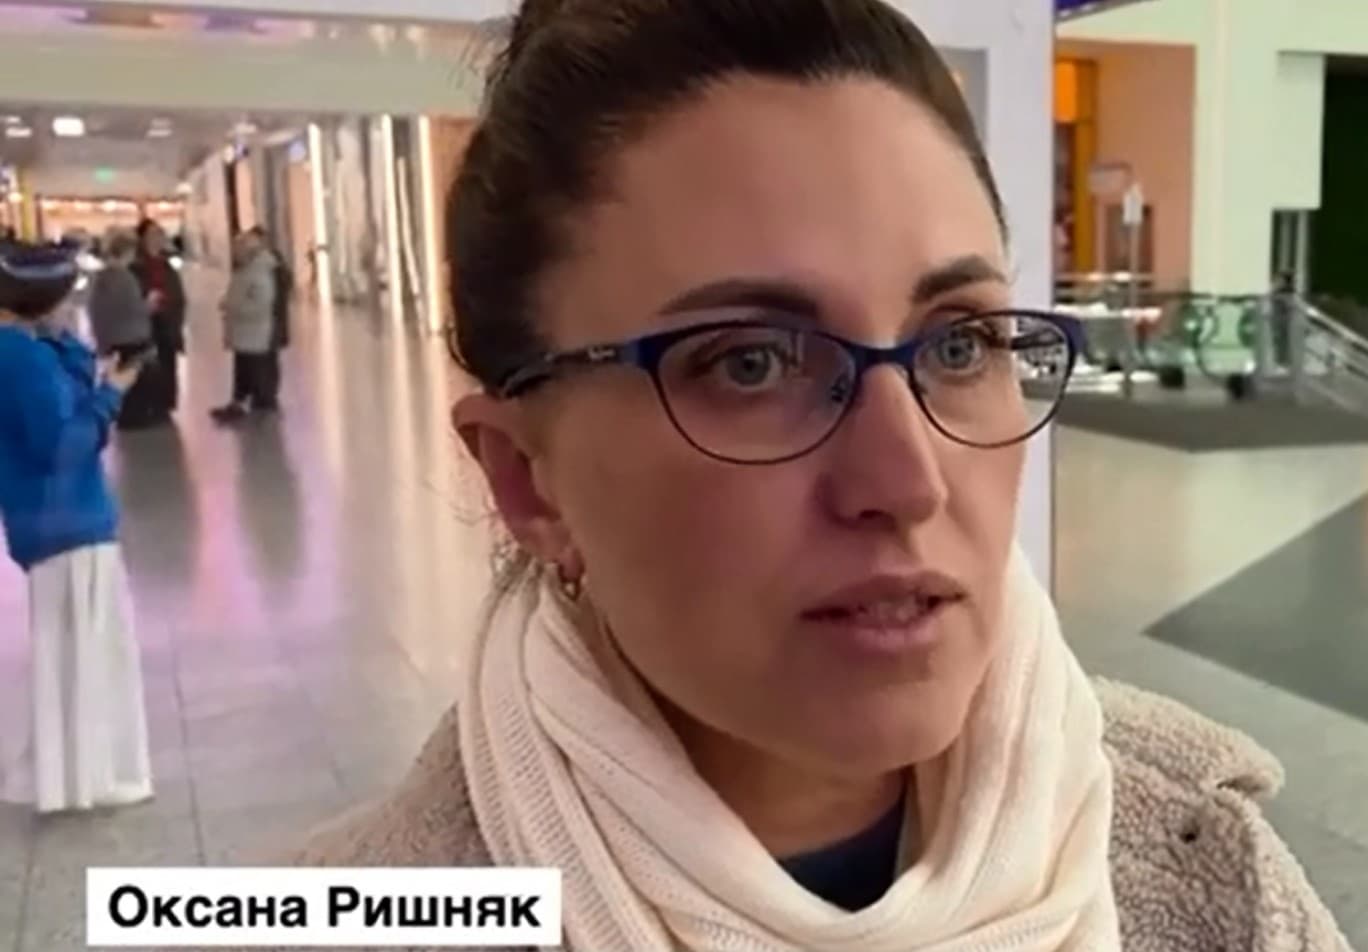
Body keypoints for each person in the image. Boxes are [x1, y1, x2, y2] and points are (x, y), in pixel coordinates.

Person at [268, 2, 1349, 949]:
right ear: (527, 480)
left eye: (959, 344)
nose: (907, 480)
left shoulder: (1213, 873)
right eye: (750, 362)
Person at [0, 240, 154, 814]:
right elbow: (62, 445)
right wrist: (111, 395)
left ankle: (68, 771)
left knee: (70, 654)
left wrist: (67, 343)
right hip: (67, 520)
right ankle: (88, 776)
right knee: (88, 656)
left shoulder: (28, 350)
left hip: (54, 520)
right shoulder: (20, 359)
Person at [88, 228, 166, 430]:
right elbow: (134, 308)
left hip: (111, 337)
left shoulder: (99, 278)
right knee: (137, 379)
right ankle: (136, 418)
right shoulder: (124, 278)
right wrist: (151, 302)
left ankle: (124, 415)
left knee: (121, 377)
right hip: (132, 335)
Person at [212, 228, 277, 423]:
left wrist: (232, 307)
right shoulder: (245, 270)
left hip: (253, 332)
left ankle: (256, 405)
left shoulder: (259, 273)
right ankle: (238, 402)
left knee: (253, 370)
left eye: (238, 250)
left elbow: (261, 304)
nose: (235, 254)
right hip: (243, 332)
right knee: (242, 369)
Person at [130, 218, 188, 417]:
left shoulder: (167, 264)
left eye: (160, 234)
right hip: (147, 322)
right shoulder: (135, 266)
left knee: (168, 363)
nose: (158, 238)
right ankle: (150, 407)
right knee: (150, 366)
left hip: (168, 321)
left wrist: (178, 316)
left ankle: (165, 404)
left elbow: (177, 293)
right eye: (153, 234)